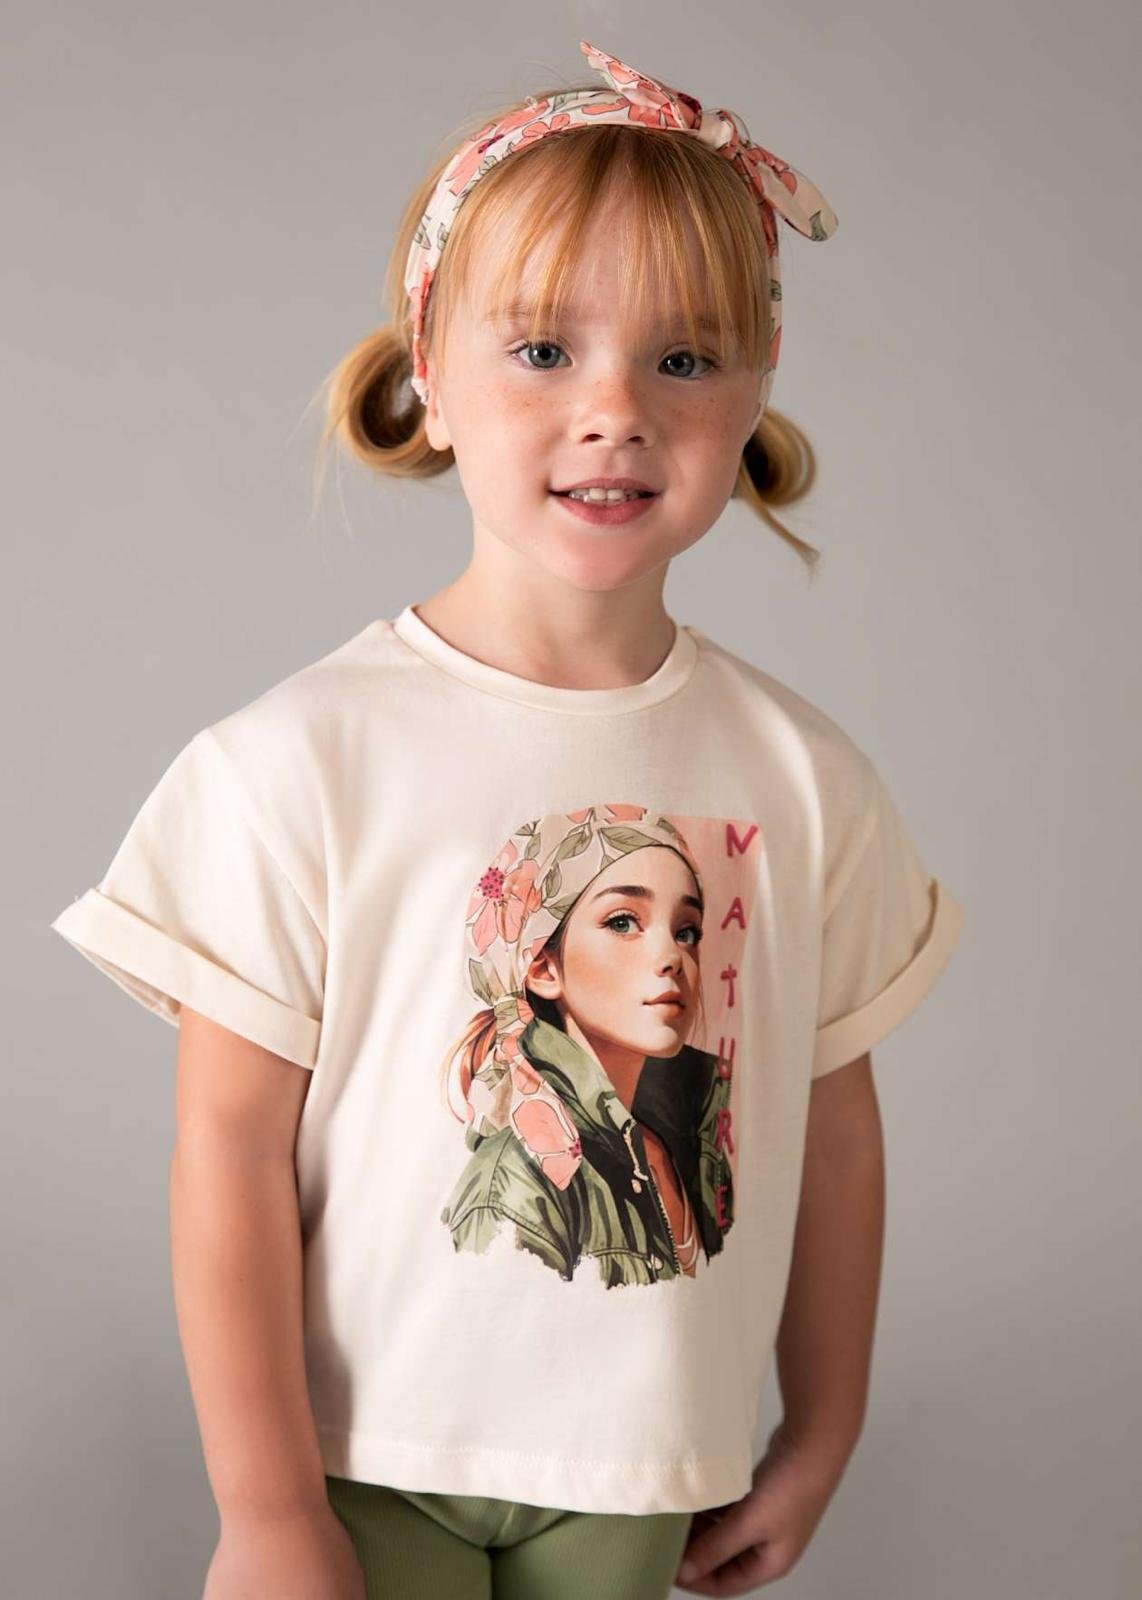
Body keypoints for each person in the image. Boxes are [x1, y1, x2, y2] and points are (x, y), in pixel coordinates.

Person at [49, 37, 966, 1600]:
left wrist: (822, 1429)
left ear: (758, 383)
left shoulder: (804, 776)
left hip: (639, 1461)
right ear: (430, 367)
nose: (613, 411)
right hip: (356, 1456)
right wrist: (265, 1508)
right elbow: (227, 1153)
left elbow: (834, 1144)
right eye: (543, 349)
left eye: (683, 361)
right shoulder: (298, 760)